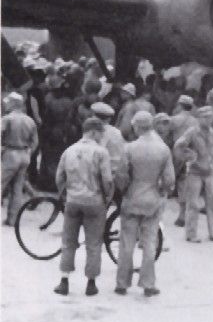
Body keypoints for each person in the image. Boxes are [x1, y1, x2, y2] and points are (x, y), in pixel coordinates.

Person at [114, 112, 175, 297]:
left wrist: (124, 191)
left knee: (127, 242)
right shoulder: (163, 149)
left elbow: (122, 175)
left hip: (132, 197)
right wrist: (162, 190)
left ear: (137, 127)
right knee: (150, 242)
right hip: (153, 198)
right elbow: (169, 178)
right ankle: (148, 283)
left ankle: (122, 283)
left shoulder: (129, 148)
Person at [53, 117, 113, 296]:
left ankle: (64, 281)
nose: (102, 136)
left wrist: (65, 194)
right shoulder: (101, 152)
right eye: (101, 132)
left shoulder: (69, 150)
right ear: (94, 132)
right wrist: (107, 198)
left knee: (68, 241)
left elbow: (59, 177)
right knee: (93, 243)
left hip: (72, 201)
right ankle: (91, 283)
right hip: (94, 202)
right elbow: (108, 180)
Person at [174, 106, 213, 242]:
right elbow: (178, 146)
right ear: (199, 118)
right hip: (195, 172)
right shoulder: (192, 132)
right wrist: (188, 156)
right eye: (205, 117)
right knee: (193, 204)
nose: (208, 120)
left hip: (209, 172)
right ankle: (191, 234)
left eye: (210, 117)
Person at [2, 92, 38, 225]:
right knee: (17, 189)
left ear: (13, 103)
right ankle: (12, 219)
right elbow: (35, 141)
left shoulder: (7, 119)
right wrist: (28, 153)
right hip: (24, 154)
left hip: (10, 152)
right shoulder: (30, 120)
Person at [169, 95, 198, 227]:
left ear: (180, 105)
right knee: (185, 184)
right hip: (191, 153)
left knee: (171, 181)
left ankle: (180, 215)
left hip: (177, 153)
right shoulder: (195, 121)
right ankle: (183, 214)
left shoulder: (174, 120)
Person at [90, 102, 126, 178]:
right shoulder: (116, 131)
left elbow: (97, 154)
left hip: (104, 174)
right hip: (117, 173)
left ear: (94, 117)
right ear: (108, 119)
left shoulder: (99, 132)